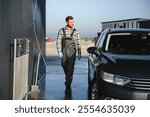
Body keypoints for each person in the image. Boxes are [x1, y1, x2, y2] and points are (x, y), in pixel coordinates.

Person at [56, 16, 81, 91]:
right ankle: (69, 76)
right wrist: (59, 51)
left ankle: (68, 82)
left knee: (70, 67)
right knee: (64, 65)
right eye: (71, 22)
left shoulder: (76, 31)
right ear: (67, 22)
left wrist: (79, 52)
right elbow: (58, 41)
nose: (72, 23)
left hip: (72, 52)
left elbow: (78, 42)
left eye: (73, 22)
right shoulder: (61, 31)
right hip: (64, 51)